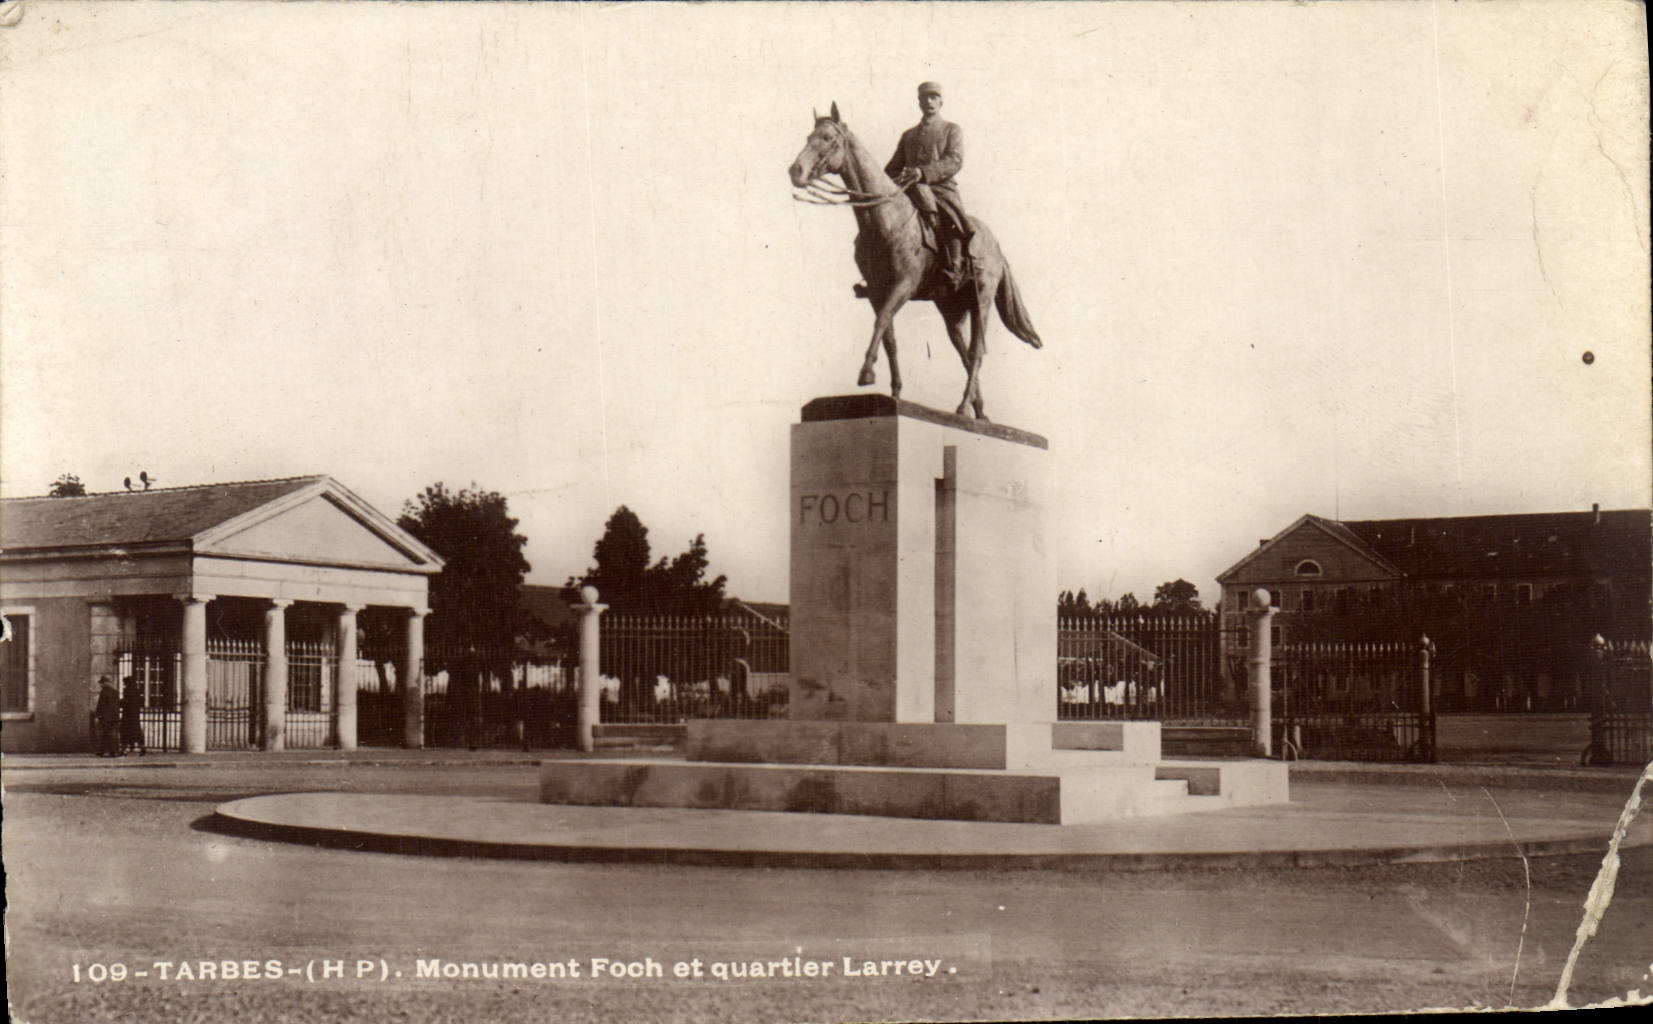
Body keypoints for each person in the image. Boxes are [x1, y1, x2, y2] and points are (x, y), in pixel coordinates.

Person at [886, 81, 971, 289]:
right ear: (919, 102)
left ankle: (954, 266)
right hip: (910, 189)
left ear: (941, 101)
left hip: (940, 189)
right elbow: (892, 168)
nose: (929, 101)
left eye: (934, 97)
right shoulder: (908, 136)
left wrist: (923, 173)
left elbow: (954, 160)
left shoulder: (951, 130)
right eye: (925, 98)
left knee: (950, 218)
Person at [94, 677, 122, 757]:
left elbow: (100, 705)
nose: (100, 685)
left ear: (104, 683)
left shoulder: (104, 692)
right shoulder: (115, 692)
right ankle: (109, 752)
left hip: (106, 717)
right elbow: (117, 705)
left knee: (105, 735)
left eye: (101, 683)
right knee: (111, 734)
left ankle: (105, 752)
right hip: (114, 717)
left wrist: (97, 716)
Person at [120, 676, 147, 756]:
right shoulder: (137, 691)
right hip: (135, 715)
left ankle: (124, 750)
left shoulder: (127, 691)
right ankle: (142, 747)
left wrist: (121, 703)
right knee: (136, 732)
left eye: (125, 683)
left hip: (127, 715)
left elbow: (125, 702)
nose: (124, 684)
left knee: (125, 732)